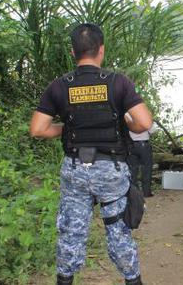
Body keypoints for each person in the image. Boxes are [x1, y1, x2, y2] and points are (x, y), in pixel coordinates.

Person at [29, 23, 152, 285]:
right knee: (119, 229)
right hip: (110, 170)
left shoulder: (60, 86)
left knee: (71, 233)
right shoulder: (117, 82)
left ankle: (64, 280)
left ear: (74, 52)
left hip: (75, 169)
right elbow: (143, 123)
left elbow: (38, 129)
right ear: (101, 50)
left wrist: (66, 128)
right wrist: (126, 124)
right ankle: (133, 280)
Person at [126, 120, 158, 197]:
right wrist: (151, 122)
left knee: (132, 170)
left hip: (131, 145)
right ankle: (146, 192)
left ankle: (134, 193)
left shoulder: (126, 116)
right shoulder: (141, 116)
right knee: (146, 169)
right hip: (143, 144)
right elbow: (152, 131)